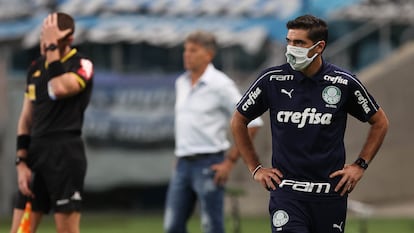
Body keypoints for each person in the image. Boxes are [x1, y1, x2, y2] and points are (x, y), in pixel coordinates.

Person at [231, 15, 389, 233]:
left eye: (299, 43)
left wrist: (359, 166)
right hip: (287, 194)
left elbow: (380, 122)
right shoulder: (272, 80)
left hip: (330, 195)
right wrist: (255, 168)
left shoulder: (343, 83)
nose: (291, 49)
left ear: (319, 47)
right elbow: (239, 120)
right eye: (289, 41)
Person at [163, 30, 263, 233]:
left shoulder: (220, 84)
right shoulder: (181, 82)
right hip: (182, 163)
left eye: (193, 50)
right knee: (172, 226)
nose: (186, 55)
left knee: (212, 226)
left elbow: (253, 123)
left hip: (209, 163)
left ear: (208, 54)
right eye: (185, 50)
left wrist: (230, 162)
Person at [10, 12, 94, 233]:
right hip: (38, 154)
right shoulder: (35, 68)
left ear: (68, 41)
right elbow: (26, 119)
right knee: (21, 230)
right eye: (43, 37)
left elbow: (59, 88)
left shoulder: (81, 64)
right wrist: (21, 163)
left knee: (65, 230)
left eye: (50, 40)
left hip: (65, 155)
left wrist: (52, 52)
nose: (44, 44)